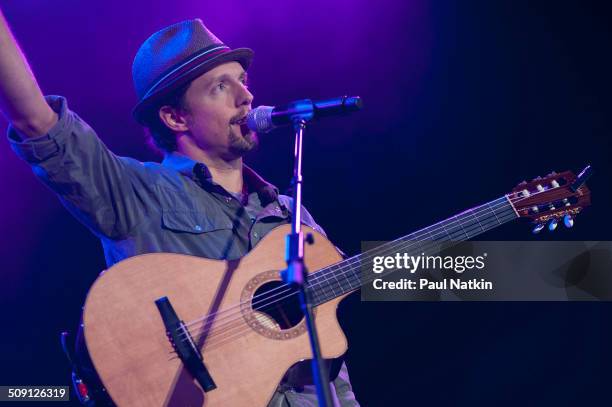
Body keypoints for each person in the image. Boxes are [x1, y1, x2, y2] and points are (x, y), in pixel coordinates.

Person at [0, 11, 359, 407]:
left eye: (242, 80)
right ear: (174, 116)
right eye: (220, 86)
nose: (246, 96)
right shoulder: (137, 193)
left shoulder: (291, 215)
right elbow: (37, 123)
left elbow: (331, 356)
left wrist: (437, 265)